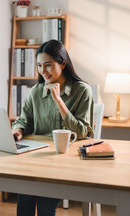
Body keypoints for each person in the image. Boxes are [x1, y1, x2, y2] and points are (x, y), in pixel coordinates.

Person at [12, 39, 94, 216]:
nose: (43, 71)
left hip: (69, 162)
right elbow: (24, 121)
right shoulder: (36, 91)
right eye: (39, 65)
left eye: (48, 65)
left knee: (45, 205)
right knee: (24, 198)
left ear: (63, 63)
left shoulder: (82, 90)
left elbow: (81, 133)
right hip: (41, 159)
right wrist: (18, 131)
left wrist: (58, 100)